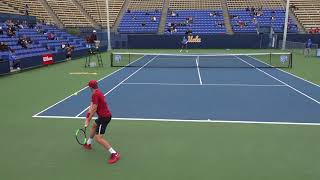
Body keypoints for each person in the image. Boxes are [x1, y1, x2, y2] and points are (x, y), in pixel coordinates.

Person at [83, 80, 120, 164]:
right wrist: (87, 118)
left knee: (99, 138)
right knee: (94, 126)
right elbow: (91, 106)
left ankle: (114, 153)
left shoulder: (95, 94)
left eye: (88, 86)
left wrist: (88, 120)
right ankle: (88, 144)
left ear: (90, 87)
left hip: (104, 118)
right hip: (103, 116)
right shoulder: (97, 92)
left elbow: (94, 109)